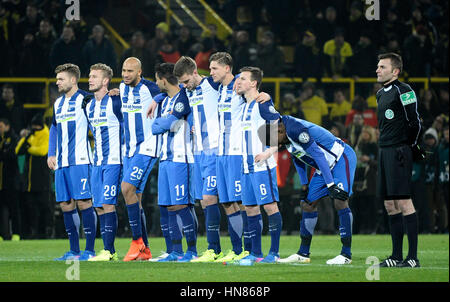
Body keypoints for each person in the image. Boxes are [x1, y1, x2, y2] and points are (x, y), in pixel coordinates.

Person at [256, 105, 357, 265]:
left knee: (340, 200)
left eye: (275, 141)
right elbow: (298, 158)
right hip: (322, 166)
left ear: (279, 131)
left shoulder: (296, 130)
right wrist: (304, 185)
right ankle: (303, 253)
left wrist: (331, 184)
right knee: (308, 205)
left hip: (340, 158)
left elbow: (317, 154)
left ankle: (346, 254)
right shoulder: (285, 136)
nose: (277, 146)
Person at [375, 53, 423, 268]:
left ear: (395, 71)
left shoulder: (404, 91)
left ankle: (412, 258)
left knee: (403, 201)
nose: (377, 70)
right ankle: (395, 256)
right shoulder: (380, 94)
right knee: (389, 204)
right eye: (378, 66)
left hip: (399, 151)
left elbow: (415, 123)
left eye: (382, 67)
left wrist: (409, 147)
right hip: (384, 152)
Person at [172, 56, 222, 262]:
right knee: (203, 201)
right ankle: (215, 249)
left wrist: (262, 93)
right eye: (181, 83)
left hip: (215, 150)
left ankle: (214, 249)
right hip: (197, 152)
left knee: (212, 199)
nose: (183, 86)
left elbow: (241, 82)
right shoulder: (186, 92)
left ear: (195, 72)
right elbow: (176, 112)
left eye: (185, 81)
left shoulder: (213, 84)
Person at [47, 63, 97, 261]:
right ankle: (74, 251)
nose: (57, 82)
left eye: (61, 79)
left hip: (81, 161)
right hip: (61, 162)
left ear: (73, 80)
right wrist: (51, 153)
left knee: (85, 203)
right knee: (66, 205)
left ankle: (90, 251)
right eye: (57, 79)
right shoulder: (58, 103)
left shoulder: (87, 99)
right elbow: (54, 128)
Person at [235, 66, 283, 265]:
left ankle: (274, 253)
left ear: (254, 83)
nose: (239, 81)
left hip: (262, 165)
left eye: (243, 78)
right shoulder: (244, 104)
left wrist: (269, 152)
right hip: (247, 166)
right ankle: (255, 253)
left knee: (270, 206)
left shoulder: (262, 103)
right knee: (250, 208)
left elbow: (276, 126)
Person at [151, 63, 198, 262]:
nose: (155, 83)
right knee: (169, 206)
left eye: (156, 79)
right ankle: (176, 252)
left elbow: (167, 124)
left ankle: (192, 251)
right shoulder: (164, 101)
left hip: (181, 158)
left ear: (163, 79)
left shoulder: (182, 98)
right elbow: (165, 125)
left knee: (182, 205)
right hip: (166, 159)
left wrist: (160, 123)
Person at [208, 52, 251, 262]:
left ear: (227, 68)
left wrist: (265, 96)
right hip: (221, 153)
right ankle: (236, 249)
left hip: (236, 153)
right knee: (226, 202)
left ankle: (249, 249)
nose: (211, 72)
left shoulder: (239, 86)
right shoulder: (221, 89)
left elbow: (258, 97)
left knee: (242, 202)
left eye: (214, 68)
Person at [120, 57, 161, 261]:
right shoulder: (121, 88)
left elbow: (173, 91)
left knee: (126, 188)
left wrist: (158, 99)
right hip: (129, 151)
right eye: (124, 70)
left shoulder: (150, 88)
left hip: (146, 149)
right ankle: (145, 250)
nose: (126, 74)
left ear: (139, 72)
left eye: (130, 71)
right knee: (135, 197)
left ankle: (136, 242)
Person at [82, 63, 122, 261]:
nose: (90, 79)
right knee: (98, 206)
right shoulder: (89, 105)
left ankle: (109, 250)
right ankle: (107, 250)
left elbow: (128, 125)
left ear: (105, 81)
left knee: (108, 204)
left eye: (94, 76)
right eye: (90, 76)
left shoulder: (115, 101)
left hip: (114, 161)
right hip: (96, 162)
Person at [15, 114, 51, 239]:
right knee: (31, 207)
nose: (34, 128)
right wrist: (23, 139)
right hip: (29, 179)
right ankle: (33, 231)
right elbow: (18, 151)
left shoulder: (46, 133)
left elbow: (42, 151)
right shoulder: (31, 135)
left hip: (42, 178)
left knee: (44, 206)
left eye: (36, 126)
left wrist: (29, 147)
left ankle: (47, 230)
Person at [0, 118, 21, 241]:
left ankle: (16, 234)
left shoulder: (14, 138)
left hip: (11, 182)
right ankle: (3, 234)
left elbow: (12, 155)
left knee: (14, 209)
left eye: (1, 126)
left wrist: (4, 153)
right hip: (1, 183)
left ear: (7, 126)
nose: (0, 129)